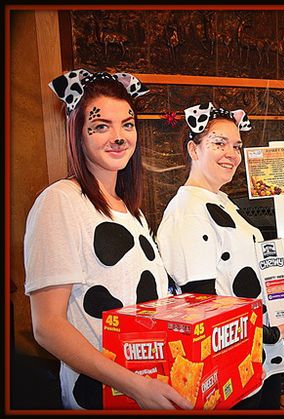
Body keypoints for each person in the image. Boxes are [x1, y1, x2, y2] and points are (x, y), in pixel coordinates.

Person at [24, 69, 193, 410]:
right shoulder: (60, 201)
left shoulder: (133, 212)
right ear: (78, 133)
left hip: (150, 385)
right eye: (101, 126)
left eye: (127, 124)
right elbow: (48, 326)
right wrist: (134, 385)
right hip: (101, 396)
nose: (118, 137)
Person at [156, 102, 284, 410]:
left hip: (253, 359)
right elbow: (200, 305)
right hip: (229, 368)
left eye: (237, 146)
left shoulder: (221, 200)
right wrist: (270, 333)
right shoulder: (188, 212)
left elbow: (238, 273)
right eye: (219, 143)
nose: (231, 154)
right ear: (193, 148)